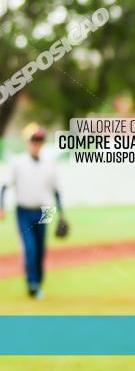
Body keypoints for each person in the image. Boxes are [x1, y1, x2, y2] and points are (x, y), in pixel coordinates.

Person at [0, 127, 64, 299]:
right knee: (30, 247)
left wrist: (62, 214)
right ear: (28, 143)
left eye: (39, 141)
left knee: (41, 248)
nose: (36, 144)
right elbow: (4, 186)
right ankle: (32, 283)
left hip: (46, 210)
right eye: (33, 141)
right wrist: (1, 207)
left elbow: (56, 190)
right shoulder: (18, 163)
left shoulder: (49, 164)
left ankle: (38, 281)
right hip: (24, 210)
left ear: (42, 144)